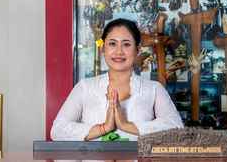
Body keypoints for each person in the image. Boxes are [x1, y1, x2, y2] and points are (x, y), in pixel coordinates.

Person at [51, 18, 184, 141]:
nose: (119, 51)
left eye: (126, 45)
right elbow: (57, 130)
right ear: (103, 48)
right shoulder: (85, 87)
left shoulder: (154, 89)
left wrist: (126, 125)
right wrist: (103, 128)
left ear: (137, 50)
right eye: (112, 44)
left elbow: (176, 127)